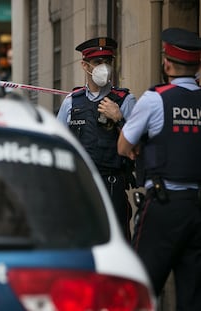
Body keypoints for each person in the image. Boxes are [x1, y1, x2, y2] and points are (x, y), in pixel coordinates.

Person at [117, 27, 201, 310]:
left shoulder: (155, 99)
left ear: (166, 63)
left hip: (164, 207)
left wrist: (142, 145)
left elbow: (122, 146)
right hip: (197, 208)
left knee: (140, 288)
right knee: (192, 295)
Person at [57, 37, 137, 241]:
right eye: (97, 62)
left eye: (107, 61)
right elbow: (58, 146)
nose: (104, 67)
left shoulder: (125, 100)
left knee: (117, 243)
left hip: (112, 185)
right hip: (81, 187)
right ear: (85, 65)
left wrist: (119, 118)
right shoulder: (71, 102)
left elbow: (138, 145)